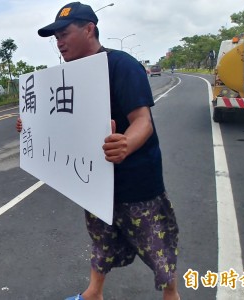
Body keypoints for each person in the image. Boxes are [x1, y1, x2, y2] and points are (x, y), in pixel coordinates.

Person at [16, 2, 180, 300]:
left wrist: (126, 143)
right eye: (55, 37)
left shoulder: (122, 66)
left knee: (156, 243)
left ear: (89, 29)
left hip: (135, 181)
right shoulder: (67, 76)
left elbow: (142, 121)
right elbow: (62, 125)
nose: (59, 42)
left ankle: (171, 294)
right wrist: (30, 126)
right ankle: (94, 294)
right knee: (101, 239)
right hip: (94, 182)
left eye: (64, 33)